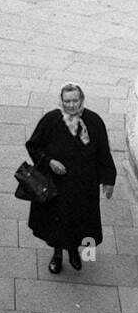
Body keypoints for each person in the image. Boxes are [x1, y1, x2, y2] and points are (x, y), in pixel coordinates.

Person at [24, 84, 116, 274]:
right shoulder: (51, 120)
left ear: (82, 100)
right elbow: (34, 146)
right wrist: (49, 162)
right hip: (57, 185)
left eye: (75, 101)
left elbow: (103, 152)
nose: (71, 105)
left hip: (84, 185)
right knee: (57, 221)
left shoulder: (94, 121)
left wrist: (109, 180)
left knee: (80, 221)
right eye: (67, 101)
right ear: (61, 101)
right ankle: (58, 254)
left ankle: (74, 251)